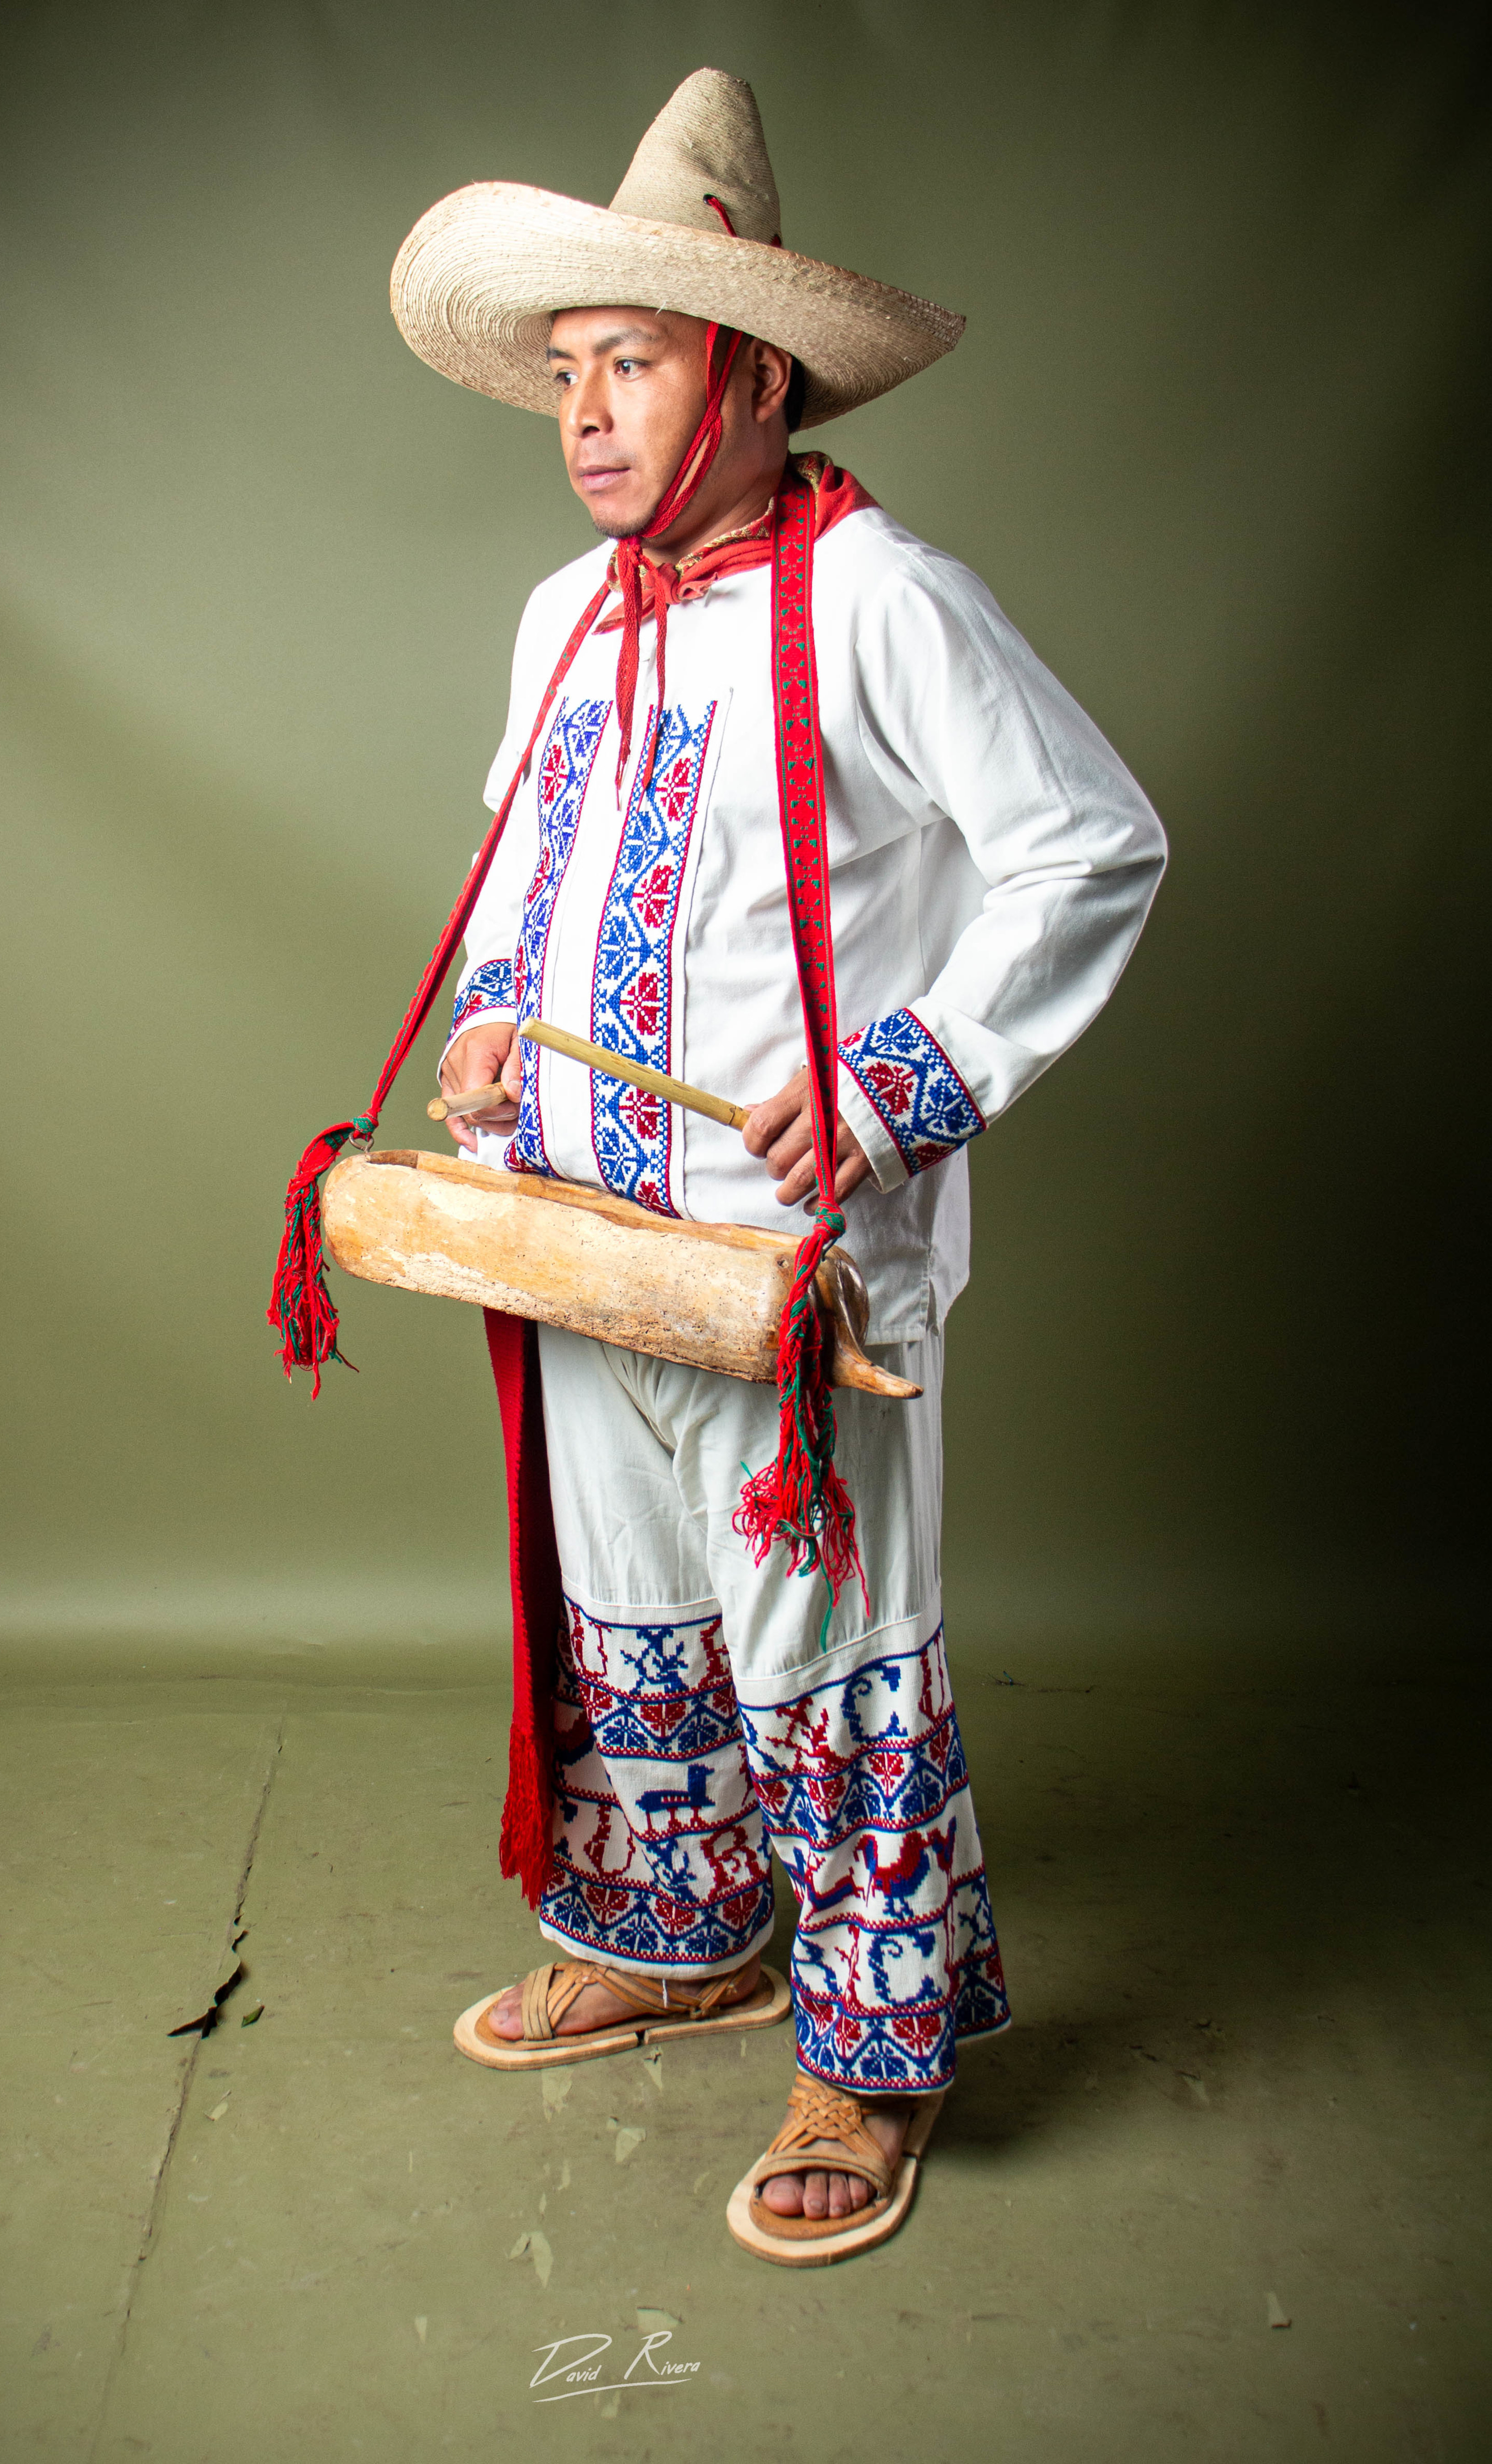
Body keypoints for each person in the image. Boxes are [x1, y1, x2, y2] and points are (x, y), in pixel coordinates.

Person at [389, 67, 1166, 2262]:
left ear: (748, 366)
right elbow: (527, 865)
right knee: (626, 1603)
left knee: (820, 1635)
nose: (588, 412)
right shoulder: (568, 615)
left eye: (629, 362)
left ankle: (869, 2050)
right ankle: (678, 1932)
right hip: (583, 1232)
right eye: (568, 370)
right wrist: (489, 1032)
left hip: (788, 1264)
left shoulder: (888, 598)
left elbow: (1090, 845)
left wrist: (911, 1076)